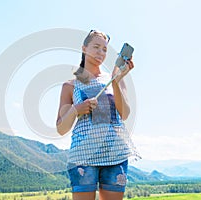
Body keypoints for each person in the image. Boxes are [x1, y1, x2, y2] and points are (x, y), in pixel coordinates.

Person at [56, 30, 138, 200]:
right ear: (84, 48)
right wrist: (77, 109)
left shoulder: (114, 77)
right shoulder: (70, 85)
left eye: (105, 49)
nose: (101, 53)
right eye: (96, 47)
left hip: (115, 155)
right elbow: (61, 128)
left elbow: (124, 114)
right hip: (83, 157)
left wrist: (116, 80)